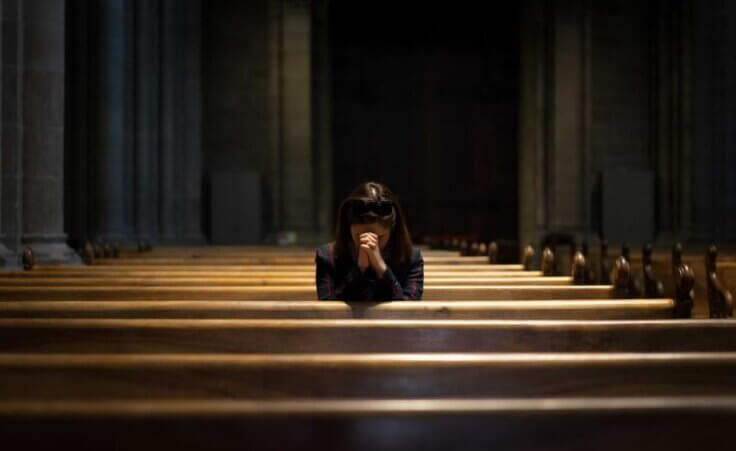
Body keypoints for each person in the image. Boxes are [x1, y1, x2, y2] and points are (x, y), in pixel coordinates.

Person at [315, 182, 423, 300]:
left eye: (379, 237)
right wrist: (360, 269)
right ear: (349, 227)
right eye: (359, 236)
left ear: (392, 229)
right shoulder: (326, 256)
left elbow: (409, 310)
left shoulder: (412, 257)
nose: (368, 244)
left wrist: (381, 267)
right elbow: (328, 309)